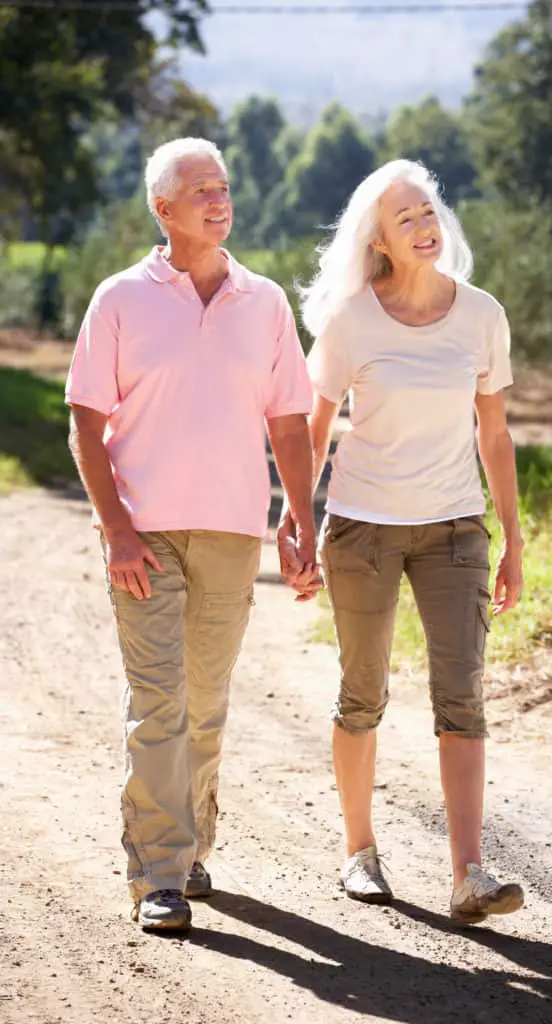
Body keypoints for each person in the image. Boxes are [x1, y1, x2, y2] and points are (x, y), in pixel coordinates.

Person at [66, 137, 317, 933]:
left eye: (223, 185)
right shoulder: (118, 299)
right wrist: (116, 530)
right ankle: (157, 874)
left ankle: (190, 845)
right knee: (159, 702)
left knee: (206, 701)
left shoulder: (265, 301)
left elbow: (289, 420)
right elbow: (85, 421)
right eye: (199, 189)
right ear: (162, 209)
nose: (218, 198)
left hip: (233, 531)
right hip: (145, 533)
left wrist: (300, 513)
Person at [280, 159, 525, 926]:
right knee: (363, 693)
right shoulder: (352, 320)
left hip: (455, 528)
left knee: (463, 698)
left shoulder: (481, 313)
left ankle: (468, 875)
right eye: (405, 218)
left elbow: (494, 432)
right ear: (379, 241)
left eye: (428, 211)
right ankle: (360, 853)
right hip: (361, 528)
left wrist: (512, 537)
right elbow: (313, 427)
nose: (424, 225)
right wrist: (293, 516)